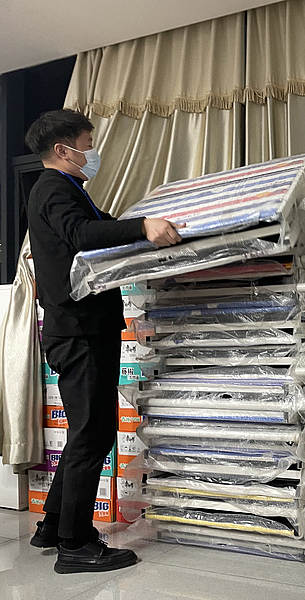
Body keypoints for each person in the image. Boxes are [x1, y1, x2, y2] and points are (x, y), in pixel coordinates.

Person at [24, 109, 184, 574]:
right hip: (80, 333)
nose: (92, 154)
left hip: (81, 329)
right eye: (87, 145)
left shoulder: (67, 190)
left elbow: (101, 225)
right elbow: (83, 235)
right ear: (63, 150)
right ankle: (75, 545)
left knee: (85, 432)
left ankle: (53, 525)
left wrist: (148, 225)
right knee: (93, 434)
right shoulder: (54, 189)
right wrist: (141, 226)